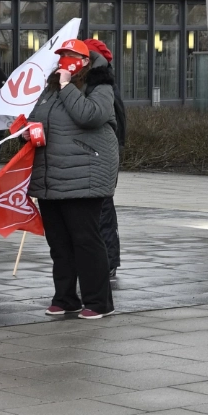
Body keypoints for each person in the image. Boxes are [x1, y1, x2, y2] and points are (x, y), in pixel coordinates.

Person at [29, 39, 120, 319]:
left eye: (71, 56)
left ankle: (98, 301)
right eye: (62, 56)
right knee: (59, 243)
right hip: (52, 177)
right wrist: (28, 129)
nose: (64, 60)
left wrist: (68, 86)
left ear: (85, 61)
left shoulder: (99, 87)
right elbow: (38, 116)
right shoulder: (51, 88)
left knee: (86, 240)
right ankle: (65, 298)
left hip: (85, 176)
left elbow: (89, 115)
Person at [84, 39, 128, 278]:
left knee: (102, 210)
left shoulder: (101, 86)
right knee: (101, 210)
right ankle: (107, 260)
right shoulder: (100, 83)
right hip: (100, 155)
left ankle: (108, 261)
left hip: (100, 156)